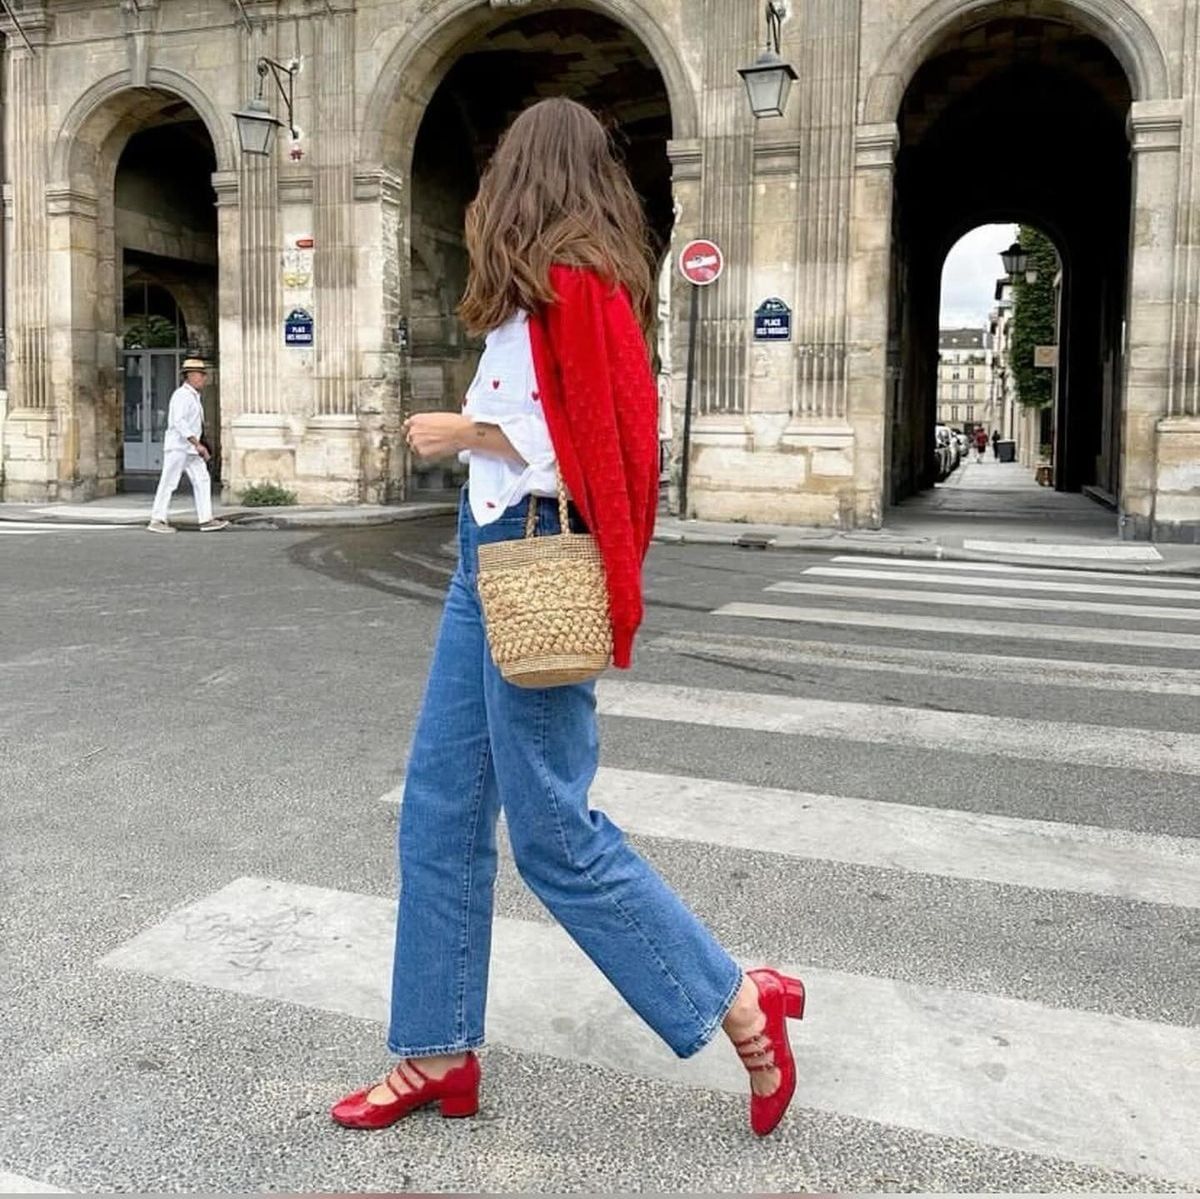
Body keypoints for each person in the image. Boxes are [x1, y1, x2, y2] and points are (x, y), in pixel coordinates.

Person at [330, 97, 806, 1140]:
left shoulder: (581, 282)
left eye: (504, 161)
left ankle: (738, 999)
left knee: (551, 827)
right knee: (443, 803)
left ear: (534, 172)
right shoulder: (532, 289)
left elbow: (589, 444)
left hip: (535, 546)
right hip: (483, 546)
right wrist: (481, 441)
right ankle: (437, 1049)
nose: (492, 175)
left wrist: (468, 427)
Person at [147, 358, 228, 533]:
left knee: (202, 480)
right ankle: (157, 519)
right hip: (178, 447)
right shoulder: (182, 395)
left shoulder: (194, 396)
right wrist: (197, 444)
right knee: (169, 482)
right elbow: (179, 422)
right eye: (200, 375)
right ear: (189, 376)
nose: (203, 378)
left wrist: (198, 445)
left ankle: (206, 519)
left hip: (190, 448)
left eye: (203, 375)